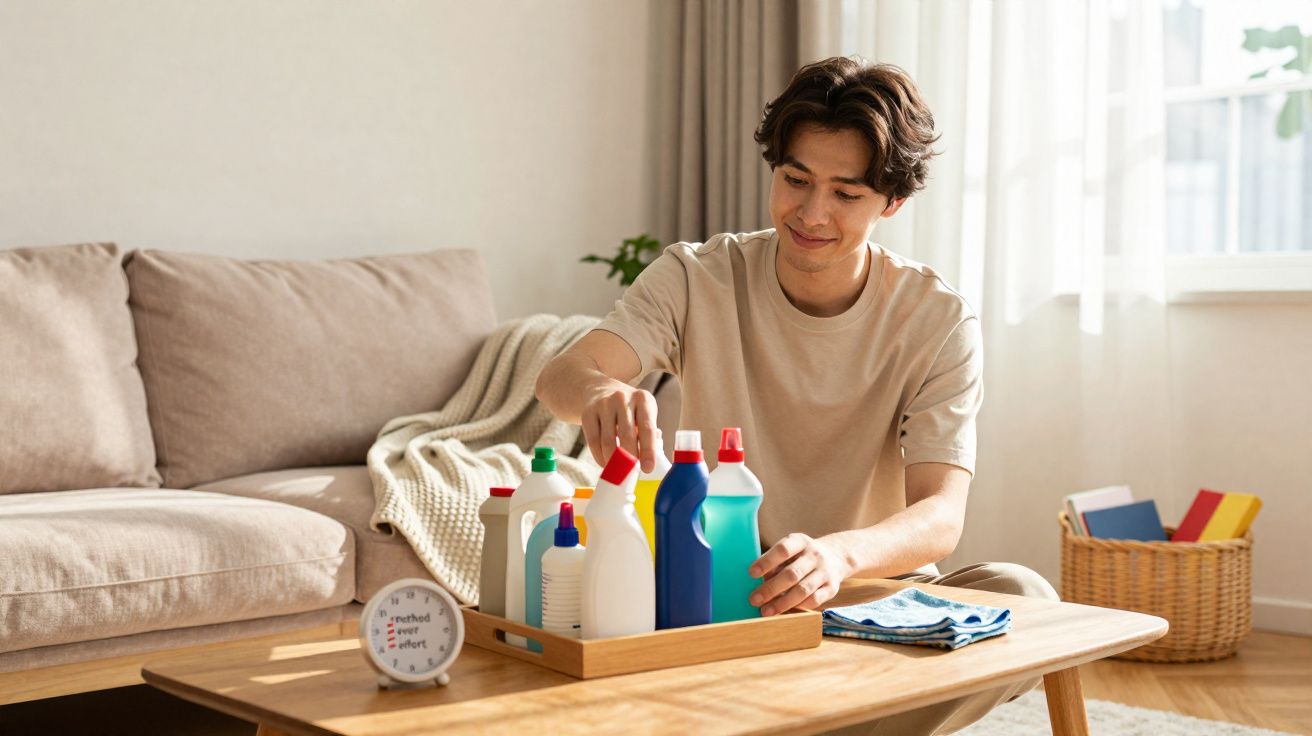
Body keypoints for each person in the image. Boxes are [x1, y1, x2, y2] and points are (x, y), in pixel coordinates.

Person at [536, 56, 1058, 734]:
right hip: (726, 597)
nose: (812, 213)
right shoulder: (697, 278)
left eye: (846, 193)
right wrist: (600, 389)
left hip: (871, 604)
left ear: (892, 202)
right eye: (796, 180)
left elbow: (939, 514)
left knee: (1027, 599)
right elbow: (560, 377)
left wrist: (838, 556)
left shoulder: (937, 319)